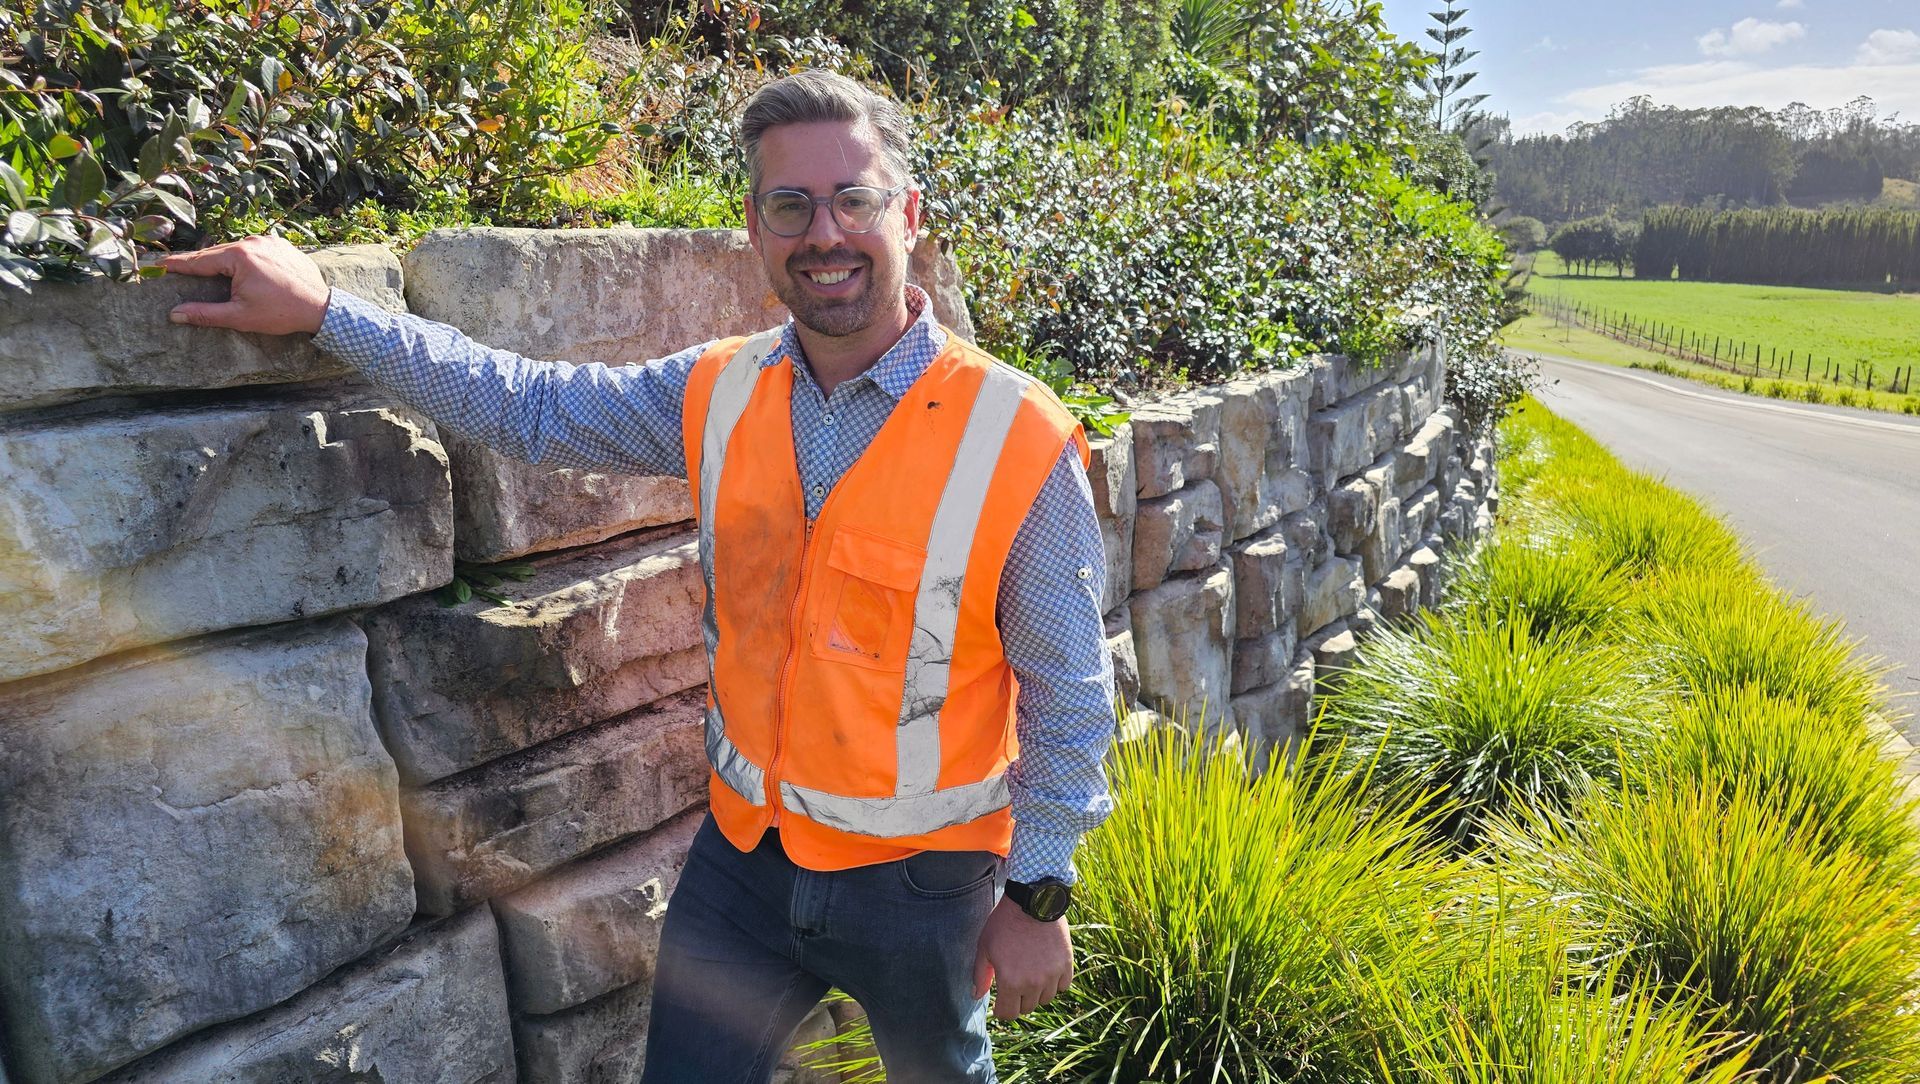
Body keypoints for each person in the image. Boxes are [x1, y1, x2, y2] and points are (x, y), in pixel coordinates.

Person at [162, 70, 1116, 1083]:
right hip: (743, 870)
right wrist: (326, 312)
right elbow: (529, 406)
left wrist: (1036, 896)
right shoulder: (720, 389)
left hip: (923, 889)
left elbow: (1067, 691)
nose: (824, 233)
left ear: (908, 214)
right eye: (790, 205)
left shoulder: (1016, 437)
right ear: (754, 226)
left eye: (854, 199)